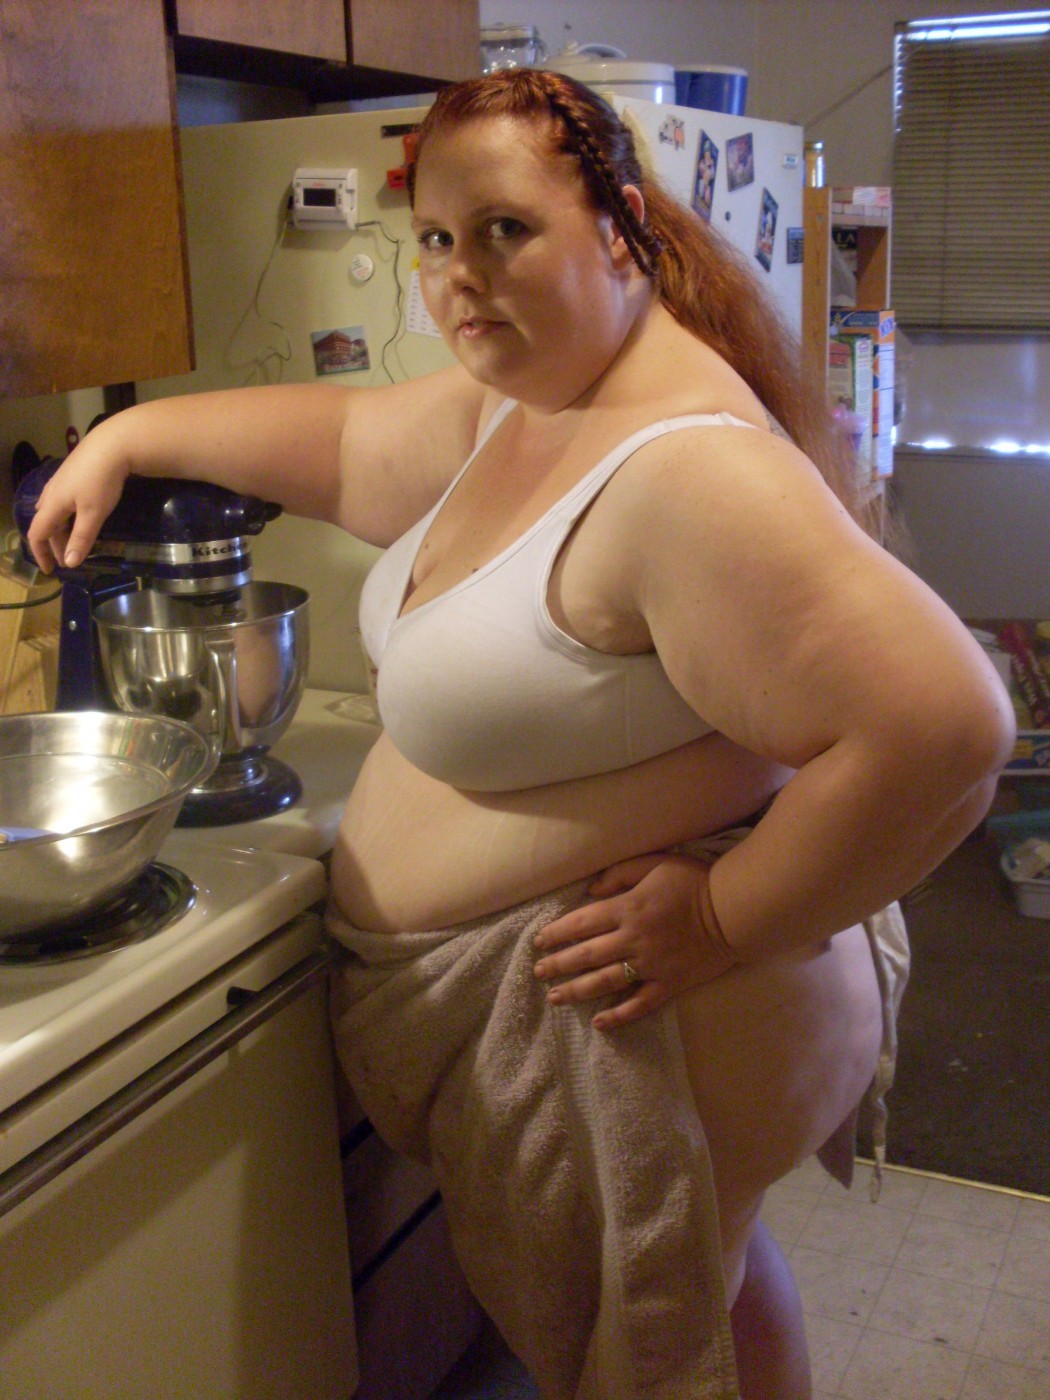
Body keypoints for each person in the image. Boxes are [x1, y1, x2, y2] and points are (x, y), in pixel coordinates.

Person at [27, 71, 1013, 1400]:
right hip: (633, 1014)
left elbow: (947, 728)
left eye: (505, 231)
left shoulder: (686, 470)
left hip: (665, 1020)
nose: (459, 278)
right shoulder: (536, 395)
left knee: (658, 1355)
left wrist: (720, 918)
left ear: (622, 229)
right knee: (715, 1305)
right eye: (437, 238)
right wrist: (130, 434)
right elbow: (350, 441)